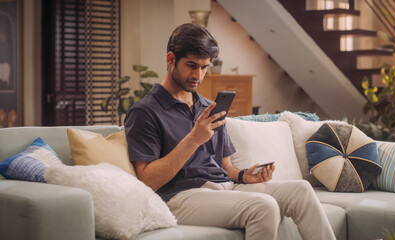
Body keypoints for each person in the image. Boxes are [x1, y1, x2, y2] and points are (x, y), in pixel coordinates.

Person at [124, 23, 336, 240]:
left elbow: (226, 166)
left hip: (225, 188)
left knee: (301, 190)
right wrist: (193, 140)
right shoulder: (145, 112)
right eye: (191, 65)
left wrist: (245, 175)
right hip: (179, 197)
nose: (198, 75)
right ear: (171, 60)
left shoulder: (209, 108)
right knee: (263, 207)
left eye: (204, 67)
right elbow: (147, 181)